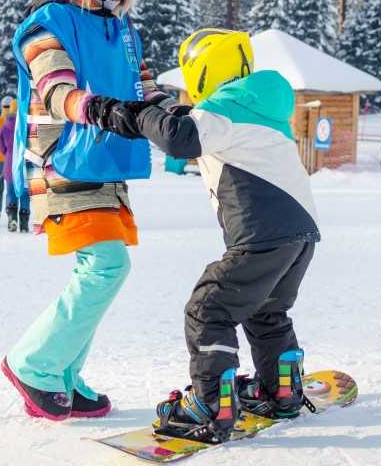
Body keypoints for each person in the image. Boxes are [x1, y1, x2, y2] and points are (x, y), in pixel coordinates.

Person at [87, 29, 321, 442]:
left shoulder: (225, 107)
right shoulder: (253, 102)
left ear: (204, 68)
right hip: (298, 237)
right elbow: (188, 121)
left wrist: (129, 113)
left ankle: (212, 406)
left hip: (260, 237)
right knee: (266, 312)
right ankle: (281, 390)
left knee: (208, 309)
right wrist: (153, 97)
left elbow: (180, 136)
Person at [1, 0, 176, 421]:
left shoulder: (123, 31)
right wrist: (94, 107)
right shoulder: (46, 21)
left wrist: (181, 114)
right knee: (106, 266)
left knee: (99, 268)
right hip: (63, 158)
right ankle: (32, 364)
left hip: (106, 160)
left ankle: (63, 376)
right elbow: (54, 87)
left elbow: (144, 87)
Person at [0, 102, 30, 232]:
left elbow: (1, 148)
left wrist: (9, 153)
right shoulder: (28, 126)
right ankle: (24, 223)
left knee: (11, 193)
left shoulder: (4, 127)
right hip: (24, 164)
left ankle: (12, 219)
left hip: (10, 163)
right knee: (24, 194)